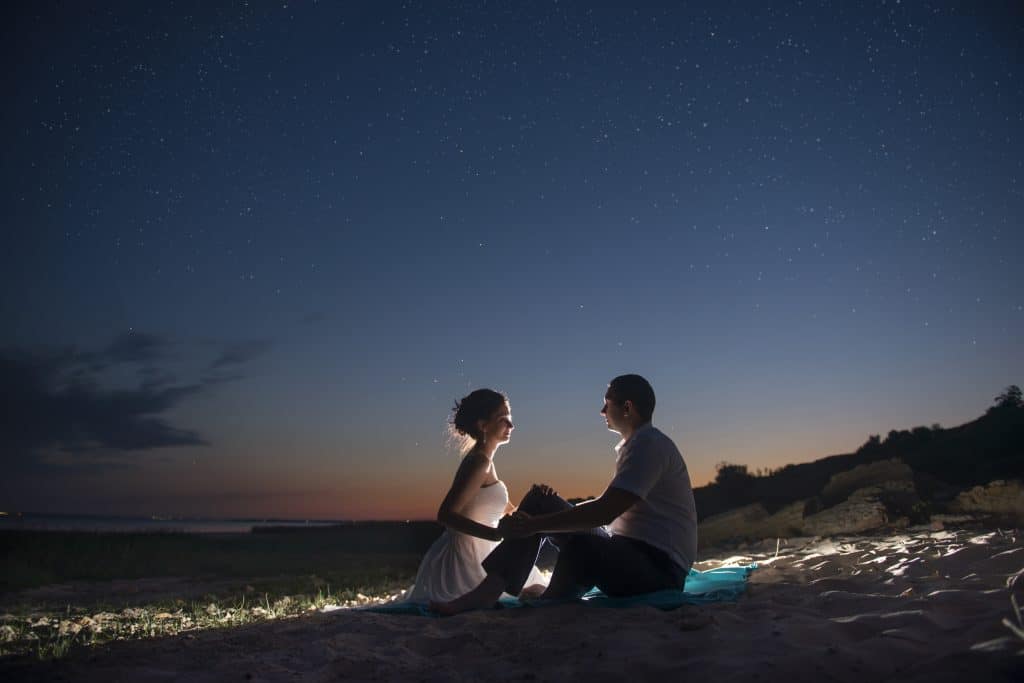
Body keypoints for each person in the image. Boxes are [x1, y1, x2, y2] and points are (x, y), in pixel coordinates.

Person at [432, 374, 697, 615]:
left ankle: (549, 599)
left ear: (627, 408)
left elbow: (605, 511)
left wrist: (534, 526)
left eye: (607, 403)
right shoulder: (635, 445)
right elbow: (604, 508)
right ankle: (488, 593)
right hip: (625, 549)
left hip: (657, 570)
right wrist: (545, 513)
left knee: (585, 545)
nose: (602, 410)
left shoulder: (649, 445)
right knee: (540, 499)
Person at [405, 389, 547, 603]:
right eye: (504, 419)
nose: (511, 425)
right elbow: (446, 514)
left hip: (484, 548)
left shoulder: (486, 461)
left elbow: (501, 507)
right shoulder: (479, 462)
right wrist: (495, 534)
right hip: (467, 559)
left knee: (535, 588)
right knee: (530, 591)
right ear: (483, 425)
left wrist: (536, 502)